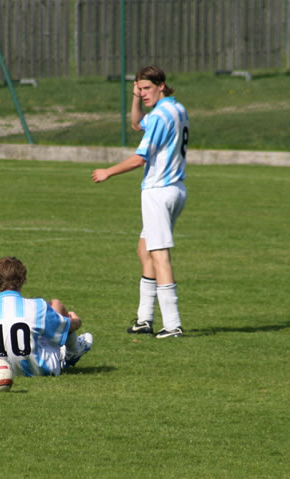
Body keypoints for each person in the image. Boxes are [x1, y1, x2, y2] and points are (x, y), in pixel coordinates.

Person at [92, 65, 189, 338]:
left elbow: (140, 158)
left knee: (159, 255)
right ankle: (144, 319)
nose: (142, 93)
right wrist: (135, 97)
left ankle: (172, 325)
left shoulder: (159, 116)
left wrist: (108, 172)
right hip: (175, 188)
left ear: (161, 85)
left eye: (146, 88)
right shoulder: (177, 109)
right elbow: (137, 123)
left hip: (159, 191)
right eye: (139, 88)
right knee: (144, 250)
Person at [0, 256, 93, 376]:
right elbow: (66, 326)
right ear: (23, 279)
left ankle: (71, 351)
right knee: (56, 306)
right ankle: (72, 352)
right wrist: (76, 321)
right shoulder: (38, 306)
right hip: (41, 369)